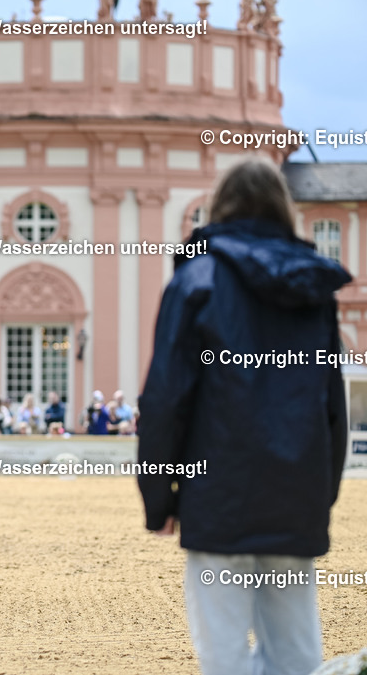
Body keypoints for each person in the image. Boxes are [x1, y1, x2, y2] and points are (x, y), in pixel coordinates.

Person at [138, 158, 350, 675]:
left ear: (221, 206)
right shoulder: (313, 289)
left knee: (225, 655)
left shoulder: (195, 280)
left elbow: (165, 400)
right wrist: (320, 495)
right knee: (297, 652)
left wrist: (158, 498)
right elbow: (332, 406)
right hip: (294, 495)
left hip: (217, 496)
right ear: (284, 209)